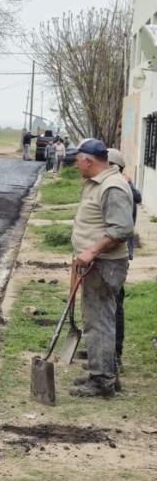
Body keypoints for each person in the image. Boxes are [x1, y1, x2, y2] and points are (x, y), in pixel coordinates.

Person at [69, 139, 134, 398]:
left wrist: (92, 250)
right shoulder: (98, 183)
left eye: (78, 159)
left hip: (104, 264)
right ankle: (102, 373)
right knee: (96, 320)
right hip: (96, 264)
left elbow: (121, 229)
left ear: (88, 160)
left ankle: (103, 381)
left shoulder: (112, 187)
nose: (75, 163)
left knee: (100, 322)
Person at [107, 148, 142, 370]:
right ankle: (107, 351)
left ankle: (115, 355)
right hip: (115, 254)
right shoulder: (123, 185)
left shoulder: (120, 188)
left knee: (114, 304)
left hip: (115, 255)